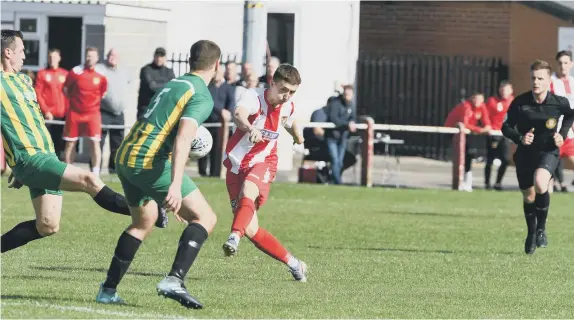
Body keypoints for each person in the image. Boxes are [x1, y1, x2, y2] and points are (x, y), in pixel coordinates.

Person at [0, 30, 168, 255]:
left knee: (48, 225)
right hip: (31, 159)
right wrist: (18, 160)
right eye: (21, 51)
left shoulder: (23, 80)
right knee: (89, 180)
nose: (24, 55)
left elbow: (30, 121)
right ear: (7, 52)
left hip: (45, 156)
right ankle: (149, 209)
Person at [96, 40, 221, 309]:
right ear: (217, 65)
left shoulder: (174, 83)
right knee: (205, 217)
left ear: (190, 61)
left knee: (144, 220)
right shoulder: (201, 93)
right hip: (148, 160)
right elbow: (184, 138)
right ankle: (174, 280)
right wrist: (175, 186)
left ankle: (107, 290)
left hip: (126, 155)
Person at [221, 63, 308, 282]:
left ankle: (233, 237)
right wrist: (250, 129)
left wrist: (297, 135)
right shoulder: (252, 97)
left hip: (264, 162)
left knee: (248, 190)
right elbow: (239, 114)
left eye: (292, 92)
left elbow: (289, 121)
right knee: (252, 229)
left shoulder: (287, 106)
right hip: (236, 165)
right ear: (272, 83)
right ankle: (294, 264)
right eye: (283, 90)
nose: (287, 96)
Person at [501, 60, 574, 255]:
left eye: (540, 78)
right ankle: (531, 233)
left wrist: (562, 134)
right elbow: (505, 127)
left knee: (541, 183)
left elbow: (569, 116)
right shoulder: (520, 103)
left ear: (549, 80)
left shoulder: (560, 102)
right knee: (529, 195)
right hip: (525, 154)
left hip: (548, 151)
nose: (536, 82)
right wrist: (519, 137)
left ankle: (541, 229)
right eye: (533, 78)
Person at [62, 47, 106, 175]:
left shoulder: (101, 75)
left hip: (93, 114)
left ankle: (96, 173)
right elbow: (66, 89)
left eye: (92, 56)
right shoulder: (75, 72)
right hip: (75, 113)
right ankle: (68, 172)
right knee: (70, 143)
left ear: (97, 58)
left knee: (95, 143)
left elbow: (103, 92)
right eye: (87, 55)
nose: (89, 58)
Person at [444, 93, 492, 192]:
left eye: (480, 99)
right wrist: (480, 130)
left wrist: (487, 127)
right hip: (453, 131)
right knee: (462, 156)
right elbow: (464, 124)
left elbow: (486, 122)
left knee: (469, 154)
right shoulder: (466, 106)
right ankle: (460, 182)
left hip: (467, 133)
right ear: (472, 98)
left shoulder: (482, 107)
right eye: (476, 99)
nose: (478, 102)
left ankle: (467, 182)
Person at [98, 48, 130, 174]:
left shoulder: (123, 71)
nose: (112, 57)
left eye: (115, 55)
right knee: (100, 142)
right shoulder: (100, 69)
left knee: (117, 143)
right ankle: (96, 170)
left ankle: (114, 170)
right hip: (104, 111)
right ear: (107, 56)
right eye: (110, 55)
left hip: (119, 114)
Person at [198, 64, 234, 177]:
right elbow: (209, 102)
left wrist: (228, 112)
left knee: (217, 149)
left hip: (220, 125)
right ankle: (203, 172)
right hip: (207, 122)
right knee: (203, 148)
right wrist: (220, 110)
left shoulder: (227, 87)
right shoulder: (209, 87)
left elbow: (231, 103)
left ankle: (215, 173)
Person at [35, 48, 68, 159]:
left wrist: (68, 111)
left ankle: (57, 169)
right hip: (48, 116)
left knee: (59, 142)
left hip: (61, 116)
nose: (52, 59)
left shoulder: (65, 74)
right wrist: (46, 111)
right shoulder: (42, 74)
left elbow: (69, 94)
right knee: (47, 142)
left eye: (54, 57)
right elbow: (38, 94)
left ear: (59, 58)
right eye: (50, 57)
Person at [550, 50, 574, 192]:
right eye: (560, 63)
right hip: (555, 131)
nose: (563, 66)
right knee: (550, 165)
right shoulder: (551, 82)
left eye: (566, 63)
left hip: (570, 132)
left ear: (571, 64)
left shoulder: (573, 82)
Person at [484, 81, 514, 190]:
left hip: (504, 134)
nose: (503, 92)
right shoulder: (492, 101)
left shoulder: (513, 102)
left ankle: (498, 182)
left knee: (506, 159)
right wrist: (488, 126)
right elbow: (485, 115)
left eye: (506, 89)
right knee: (490, 159)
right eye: (502, 89)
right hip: (493, 133)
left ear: (511, 91)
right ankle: (487, 183)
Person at [325, 84, 357, 185]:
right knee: (335, 160)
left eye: (350, 94)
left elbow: (353, 117)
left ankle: (334, 179)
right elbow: (333, 118)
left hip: (343, 137)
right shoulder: (335, 103)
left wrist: (352, 123)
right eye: (346, 94)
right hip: (332, 137)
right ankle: (337, 182)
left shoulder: (351, 105)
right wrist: (347, 124)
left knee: (340, 161)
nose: (348, 96)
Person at [137, 47, 175, 120]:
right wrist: (166, 84)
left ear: (164, 58)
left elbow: (173, 87)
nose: (159, 58)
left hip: (162, 108)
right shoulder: (146, 69)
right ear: (154, 56)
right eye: (157, 56)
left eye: (161, 56)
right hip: (146, 108)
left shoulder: (168, 71)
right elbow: (151, 86)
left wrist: (156, 83)